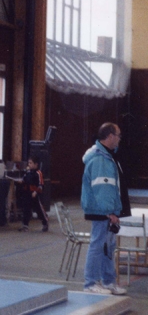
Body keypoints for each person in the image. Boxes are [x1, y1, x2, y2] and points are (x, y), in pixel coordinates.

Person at [81, 123, 127, 295]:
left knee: (108, 245)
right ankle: (90, 283)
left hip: (106, 210)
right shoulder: (100, 159)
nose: (120, 138)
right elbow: (103, 188)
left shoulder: (108, 156)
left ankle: (108, 281)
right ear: (110, 136)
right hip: (101, 210)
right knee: (98, 244)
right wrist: (110, 212)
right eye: (118, 135)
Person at [17, 154, 49, 232]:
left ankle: (45, 222)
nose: (29, 164)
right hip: (27, 193)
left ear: (36, 164)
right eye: (29, 163)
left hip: (35, 194)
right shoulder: (28, 172)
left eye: (31, 163)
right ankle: (25, 225)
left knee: (39, 210)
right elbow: (24, 180)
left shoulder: (38, 173)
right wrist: (21, 181)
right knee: (26, 209)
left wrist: (36, 191)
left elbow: (41, 184)